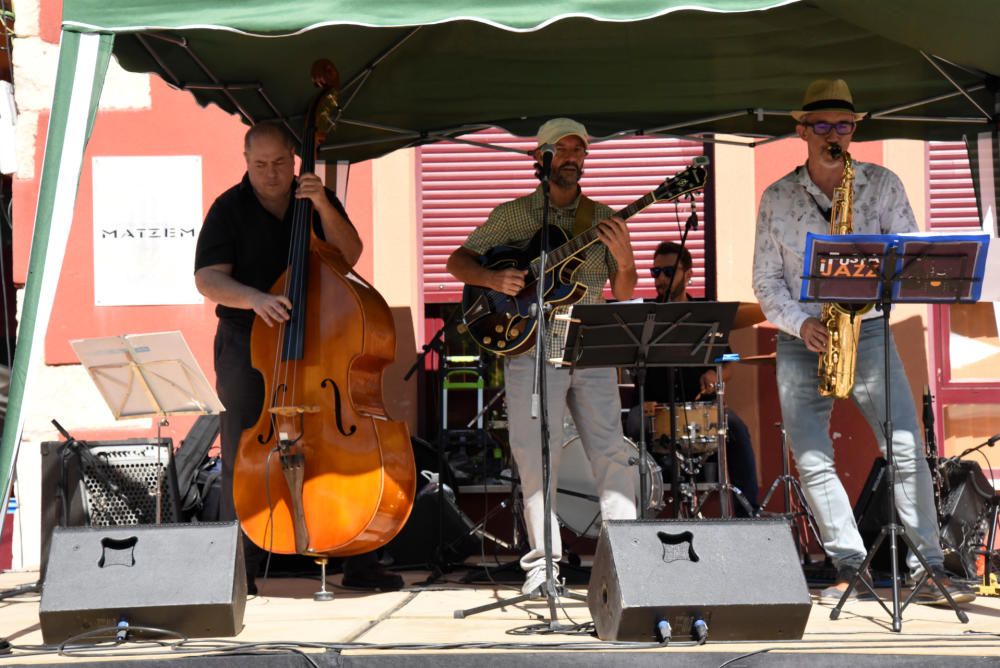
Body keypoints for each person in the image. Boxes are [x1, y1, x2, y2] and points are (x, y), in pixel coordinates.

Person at [752, 79, 973, 605]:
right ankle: (850, 565)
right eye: (823, 125)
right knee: (809, 452)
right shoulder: (777, 196)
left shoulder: (882, 182)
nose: (834, 135)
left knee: (904, 446)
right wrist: (798, 323)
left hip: (869, 327)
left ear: (855, 130)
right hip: (804, 336)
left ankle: (931, 567)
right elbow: (765, 281)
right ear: (801, 130)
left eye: (844, 126)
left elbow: (911, 257)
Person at [194, 120, 402, 593]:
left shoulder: (314, 200)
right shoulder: (228, 209)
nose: (270, 174)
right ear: (246, 162)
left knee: (340, 446)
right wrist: (255, 298)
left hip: (320, 340)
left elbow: (349, 255)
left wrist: (325, 203)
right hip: (249, 338)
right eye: (260, 164)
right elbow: (208, 278)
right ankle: (237, 572)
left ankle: (358, 555)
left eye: (280, 164)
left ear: (294, 160)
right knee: (244, 445)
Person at [446, 118, 638, 596]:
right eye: (563, 150)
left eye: (580, 151)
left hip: (589, 345)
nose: (573, 158)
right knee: (535, 459)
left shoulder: (603, 216)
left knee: (612, 453)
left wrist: (628, 258)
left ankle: (629, 562)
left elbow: (626, 289)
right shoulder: (514, 215)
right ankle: (543, 567)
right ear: (541, 159)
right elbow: (457, 261)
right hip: (531, 347)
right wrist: (493, 281)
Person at [628, 241, 760, 517]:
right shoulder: (645, 316)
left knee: (736, 427)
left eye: (668, 271)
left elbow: (731, 359)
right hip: (654, 407)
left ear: (689, 274)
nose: (661, 279)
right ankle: (632, 514)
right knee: (632, 423)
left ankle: (749, 514)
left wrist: (716, 372)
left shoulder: (707, 315)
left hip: (702, 409)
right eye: (655, 272)